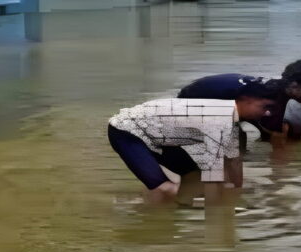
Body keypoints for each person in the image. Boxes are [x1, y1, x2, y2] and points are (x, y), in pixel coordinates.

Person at [107, 81, 279, 203]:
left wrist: (236, 193)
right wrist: (227, 203)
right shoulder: (217, 119)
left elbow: (234, 162)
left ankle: (160, 200)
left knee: (195, 175)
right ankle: (155, 223)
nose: (268, 114)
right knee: (167, 189)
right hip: (126, 131)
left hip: (158, 133)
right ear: (246, 100)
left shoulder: (229, 120)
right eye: (265, 107)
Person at [177, 73, 301, 148]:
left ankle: (240, 161)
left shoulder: (276, 87)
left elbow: (269, 127)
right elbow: (277, 135)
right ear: (294, 88)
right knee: (234, 135)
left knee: (244, 128)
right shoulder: (275, 98)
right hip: (194, 97)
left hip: (207, 91)